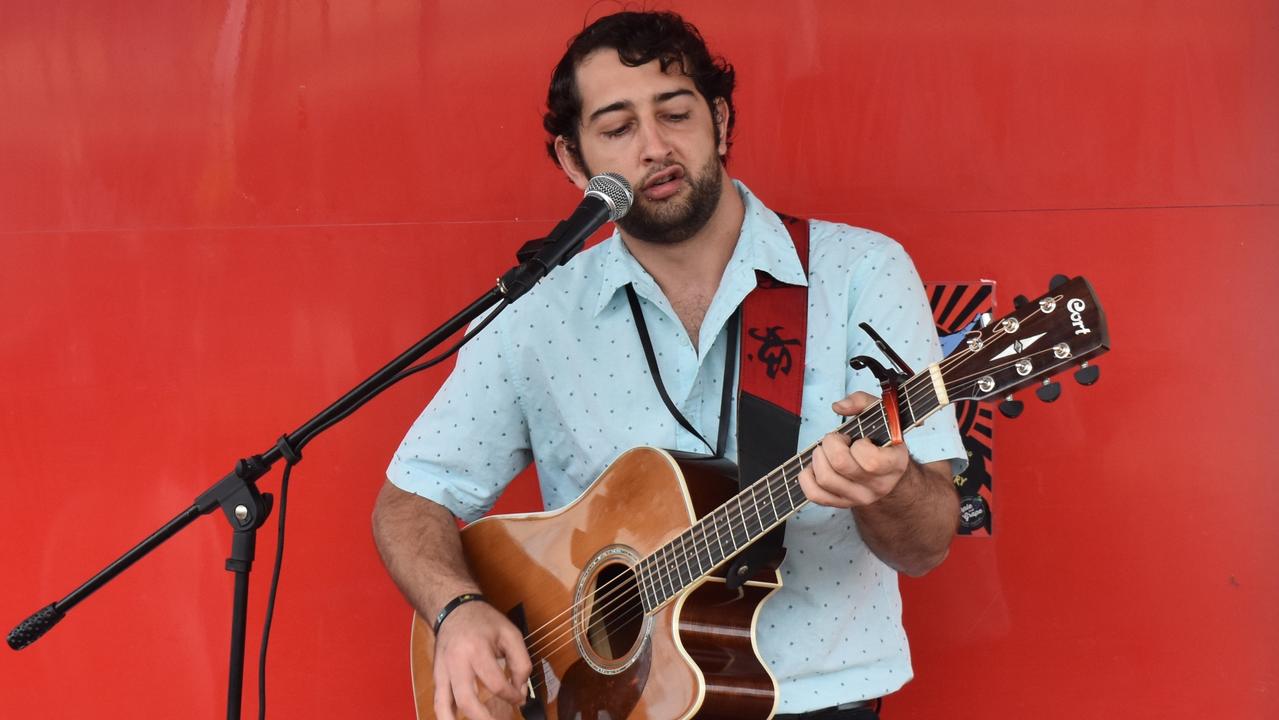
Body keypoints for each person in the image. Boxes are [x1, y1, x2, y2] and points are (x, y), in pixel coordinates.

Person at [373, 11, 964, 720]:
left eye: (675, 113)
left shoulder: (859, 273)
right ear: (572, 159)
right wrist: (457, 609)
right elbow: (410, 500)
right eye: (617, 128)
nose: (654, 147)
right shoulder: (533, 316)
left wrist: (889, 486)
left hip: (818, 698)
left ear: (718, 119)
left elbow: (924, 547)